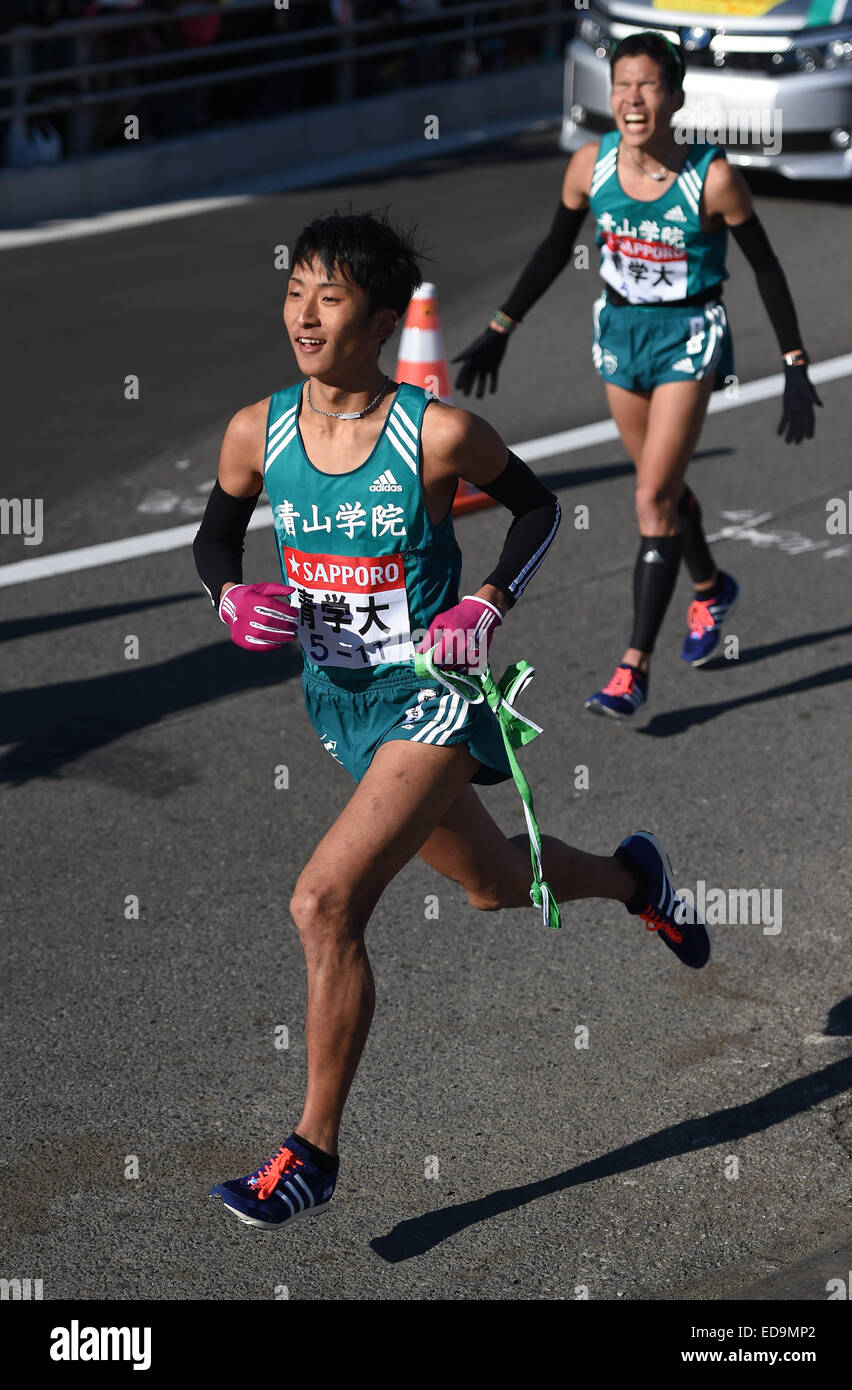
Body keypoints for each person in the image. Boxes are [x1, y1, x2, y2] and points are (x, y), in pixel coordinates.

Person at [193, 209, 710, 1229]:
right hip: (339, 702)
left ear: (380, 321)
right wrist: (224, 594)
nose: (302, 312)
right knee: (486, 885)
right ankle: (631, 876)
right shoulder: (258, 430)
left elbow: (538, 507)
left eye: (327, 297)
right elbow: (216, 539)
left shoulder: (432, 432)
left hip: (434, 699)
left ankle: (310, 1151)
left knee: (323, 903)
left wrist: (486, 604)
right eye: (294, 290)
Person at [453, 31, 821, 719]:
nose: (632, 98)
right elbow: (554, 250)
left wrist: (794, 362)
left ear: (675, 97)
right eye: (622, 84)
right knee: (664, 489)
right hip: (620, 335)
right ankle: (711, 587)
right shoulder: (589, 168)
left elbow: (766, 266)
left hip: (688, 336)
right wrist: (500, 329)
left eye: (648, 85)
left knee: (651, 496)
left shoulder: (711, 177)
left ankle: (633, 669)